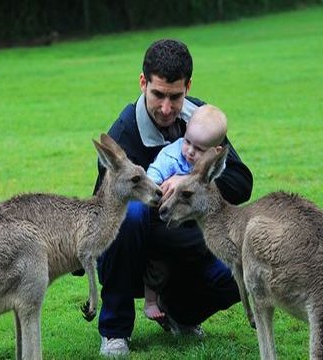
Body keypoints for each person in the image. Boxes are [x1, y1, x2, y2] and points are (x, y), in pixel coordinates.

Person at [85, 38, 253, 357]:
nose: (166, 108)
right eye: (158, 94)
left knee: (240, 265)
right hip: (135, 255)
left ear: (188, 86)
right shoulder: (124, 134)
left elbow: (241, 179)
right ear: (143, 83)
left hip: (183, 246)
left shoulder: (202, 120)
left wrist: (190, 182)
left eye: (175, 97)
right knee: (132, 214)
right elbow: (105, 214)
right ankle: (115, 330)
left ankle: (180, 313)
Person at [143, 104, 228, 321]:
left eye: (199, 149)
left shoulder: (211, 168)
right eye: (188, 142)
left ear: (214, 153)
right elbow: (151, 178)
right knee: (157, 264)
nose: (190, 151)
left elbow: (232, 182)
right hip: (165, 223)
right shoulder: (171, 157)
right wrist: (161, 188)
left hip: (192, 229)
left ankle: (181, 314)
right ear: (185, 129)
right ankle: (150, 300)